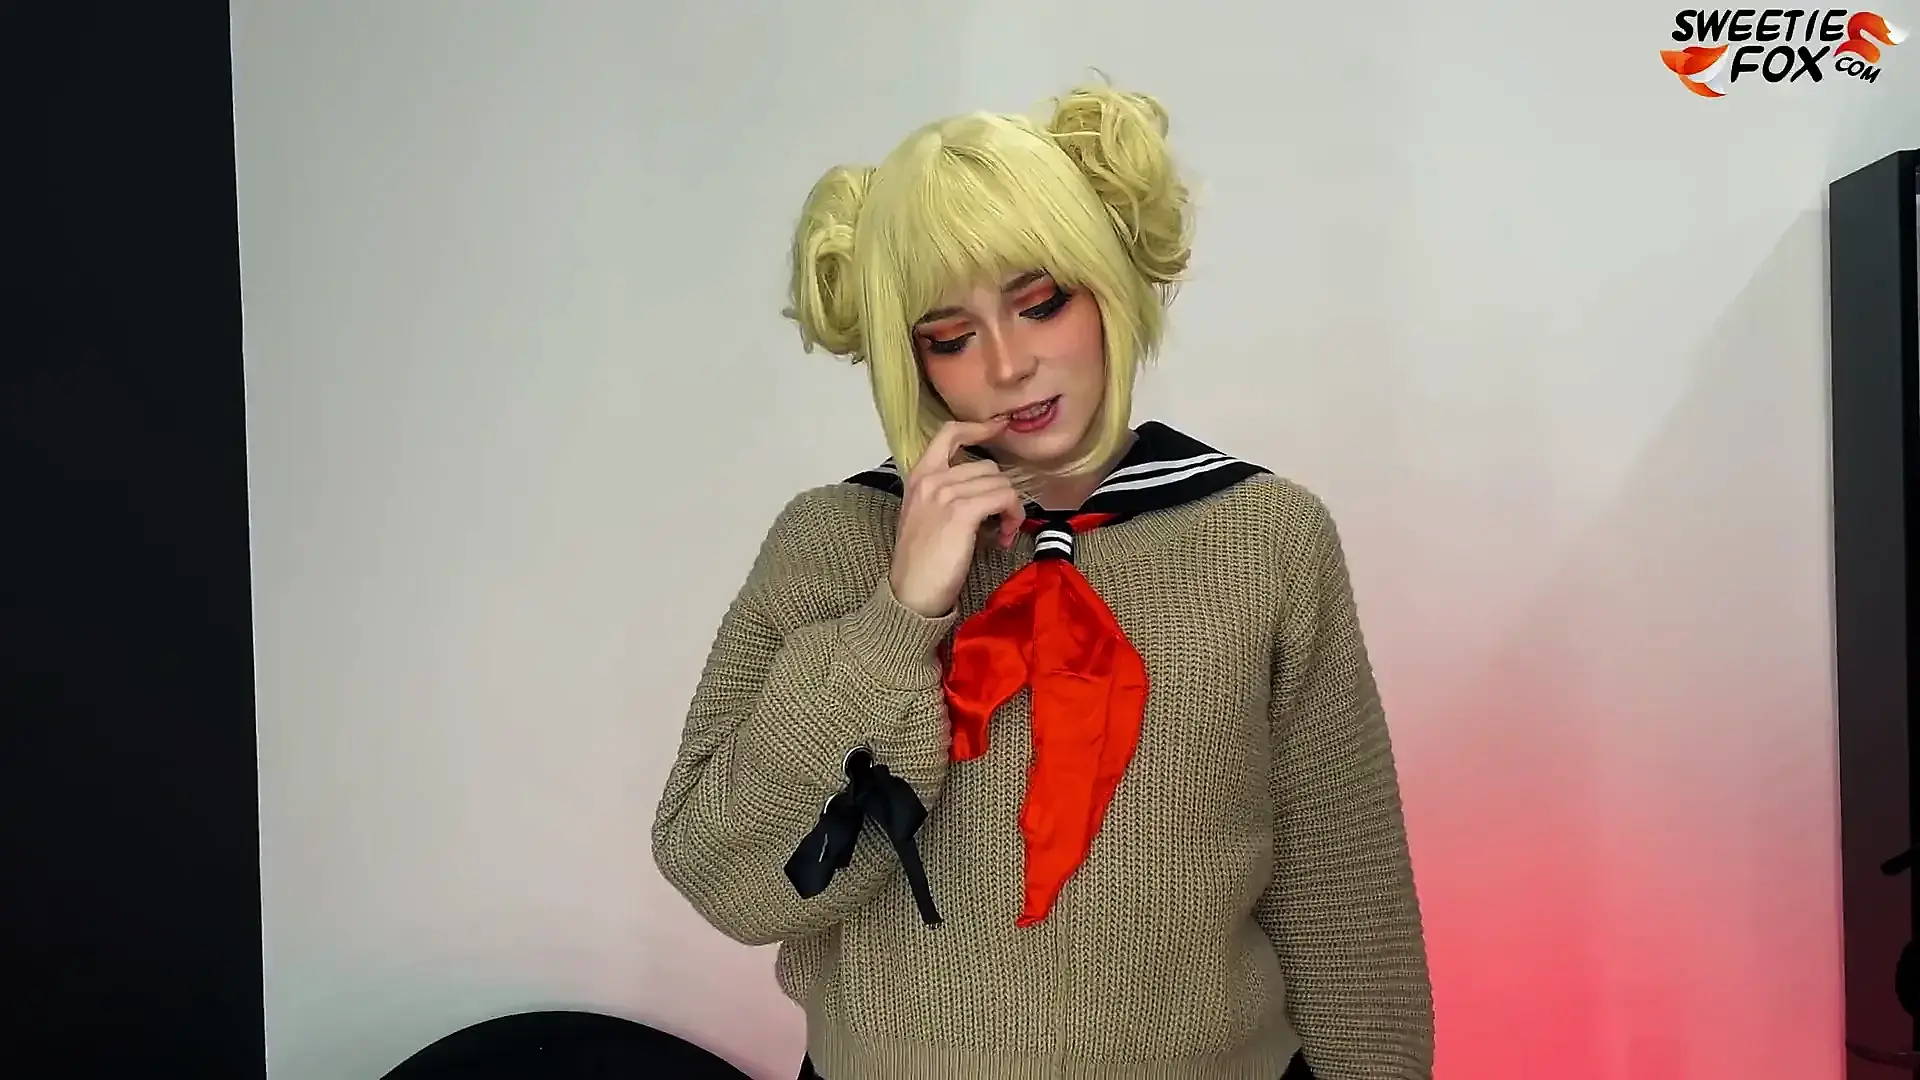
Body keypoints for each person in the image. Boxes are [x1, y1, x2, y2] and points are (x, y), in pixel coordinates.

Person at [651, 79, 1433, 1080]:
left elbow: (1346, 898)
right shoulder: (831, 542)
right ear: (910, 360)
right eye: (950, 336)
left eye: (1040, 303)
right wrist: (900, 619)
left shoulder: (1267, 538)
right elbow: (727, 878)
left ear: (1107, 286)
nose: (1009, 364)